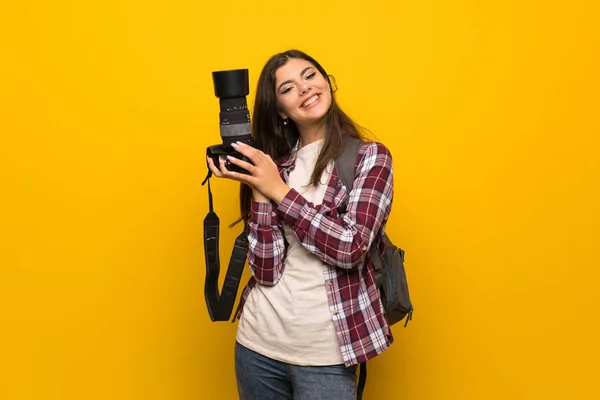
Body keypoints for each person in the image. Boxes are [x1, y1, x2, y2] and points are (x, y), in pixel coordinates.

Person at [207, 49, 394, 400]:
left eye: (310, 76)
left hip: (326, 355)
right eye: (288, 88)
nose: (305, 89)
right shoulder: (274, 165)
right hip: (257, 345)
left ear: (327, 82)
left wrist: (278, 190)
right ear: (280, 110)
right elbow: (265, 270)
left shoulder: (370, 157)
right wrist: (260, 189)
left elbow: (351, 247)